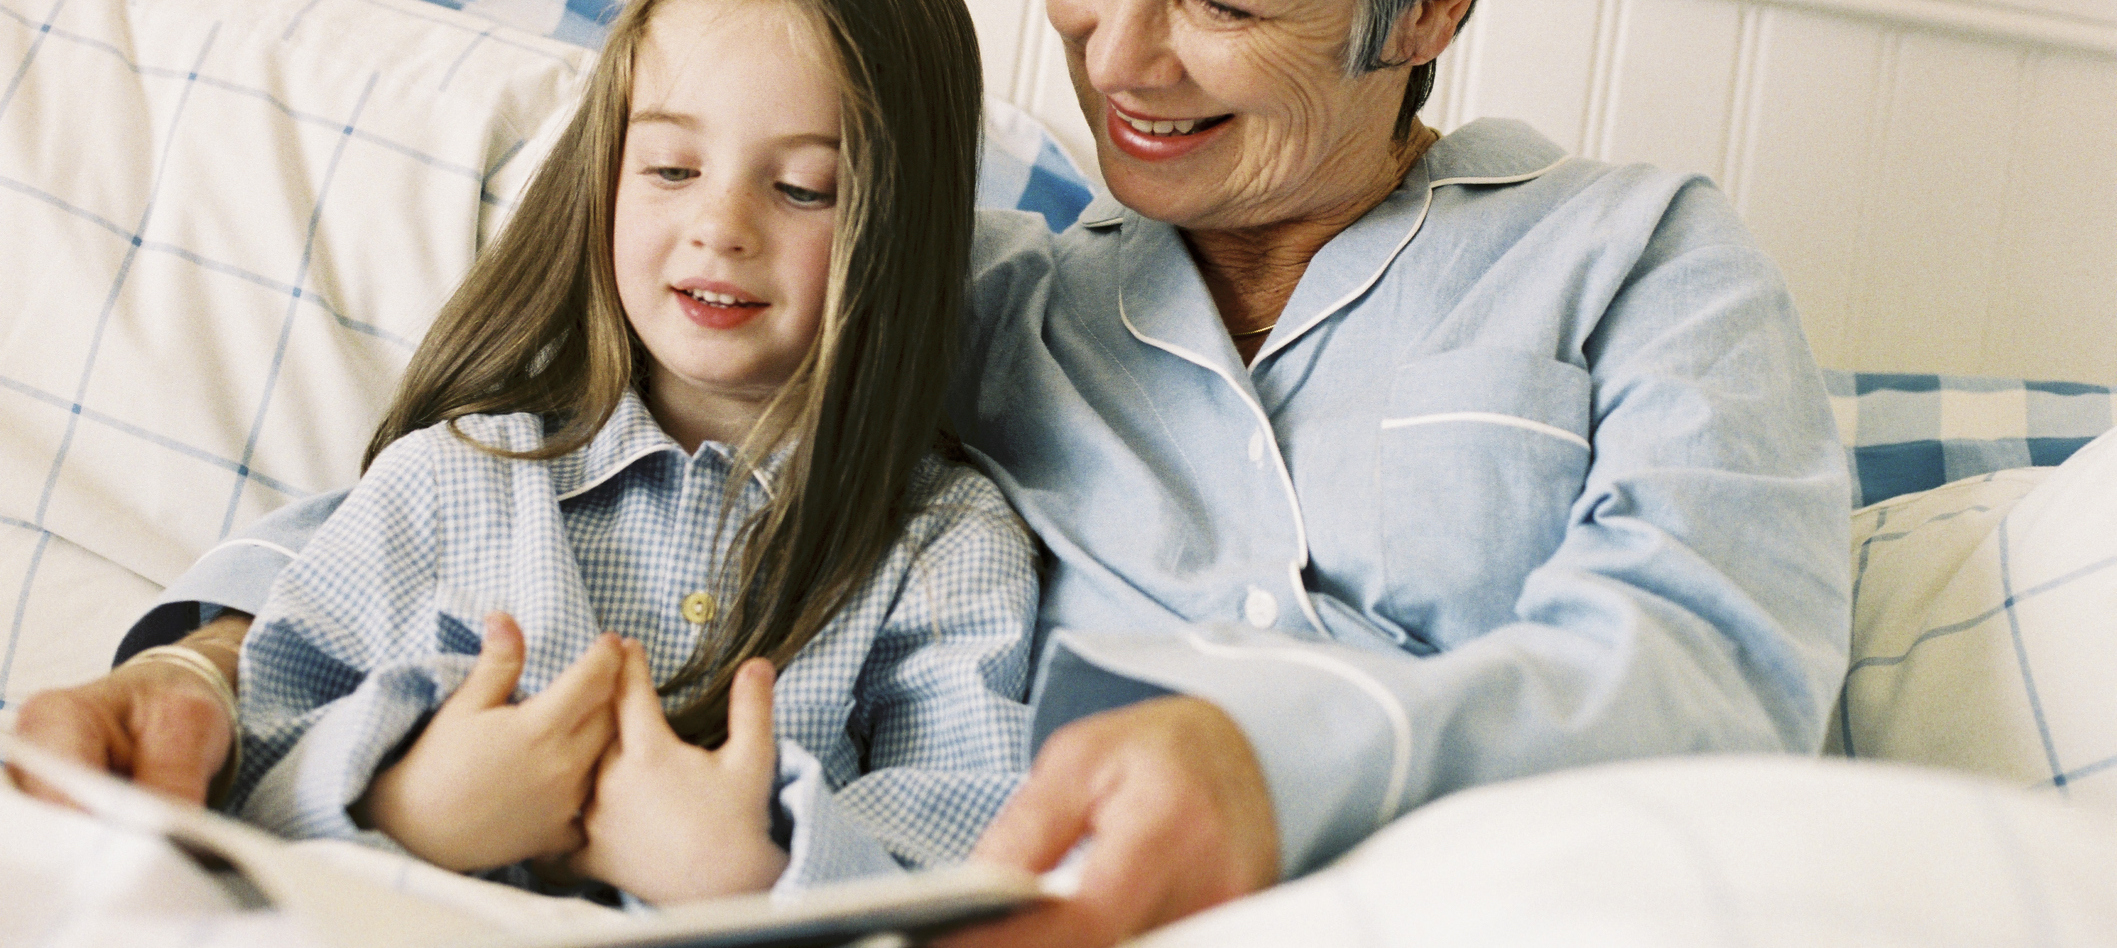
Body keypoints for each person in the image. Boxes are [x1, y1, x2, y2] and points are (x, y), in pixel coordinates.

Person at [17, 0, 1853, 939]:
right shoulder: (986, 302)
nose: (1122, 58)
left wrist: (1271, 768)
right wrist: (191, 664)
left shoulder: (1639, 254)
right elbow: (545, 449)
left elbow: (1721, 659)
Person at [17, 0, 1037, 905]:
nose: (719, 226)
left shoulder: (945, 546)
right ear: (606, 178)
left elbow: (964, 854)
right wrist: (405, 806)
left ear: (901, 221)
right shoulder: (452, 472)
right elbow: (245, 769)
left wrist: (759, 877)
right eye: (672, 169)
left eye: (804, 187)